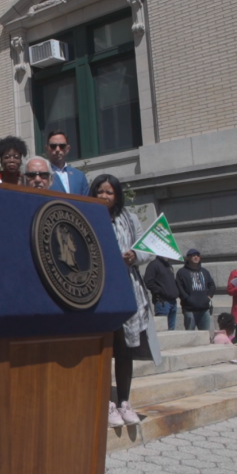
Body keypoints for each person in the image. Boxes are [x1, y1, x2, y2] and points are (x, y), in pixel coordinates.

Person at [89, 174, 160, 428]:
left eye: (109, 192)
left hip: (128, 287)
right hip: (99, 288)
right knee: (105, 347)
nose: (105, 196)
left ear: (117, 195)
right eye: (100, 191)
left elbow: (147, 248)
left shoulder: (129, 218)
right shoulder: (88, 215)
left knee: (124, 348)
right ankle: (107, 403)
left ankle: (124, 401)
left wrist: (135, 255)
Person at [176, 249, 216, 331]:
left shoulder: (204, 272)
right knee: (190, 334)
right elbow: (179, 287)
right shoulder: (182, 272)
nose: (196, 257)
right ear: (188, 258)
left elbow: (212, 285)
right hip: (189, 309)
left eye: (197, 255)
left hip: (204, 309)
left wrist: (209, 297)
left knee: (205, 334)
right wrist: (187, 298)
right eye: (193, 255)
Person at [45, 130, 88, 195]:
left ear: (68, 148)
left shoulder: (79, 176)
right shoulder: (42, 175)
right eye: (53, 146)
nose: (57, 149)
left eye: (62, 146)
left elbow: (87, 202)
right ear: (47, 149)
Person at [144, 256, 179, 331]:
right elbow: (148, 281)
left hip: (173, 302)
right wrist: (160, 291)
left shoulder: (168, 265)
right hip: (162, 302)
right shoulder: (154, 264)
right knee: (162, 329)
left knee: (171, 329)